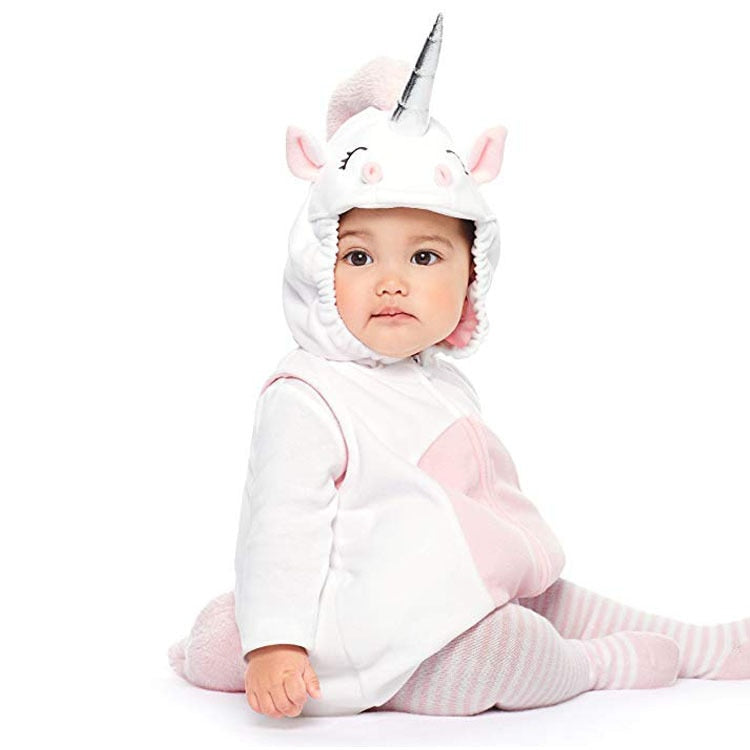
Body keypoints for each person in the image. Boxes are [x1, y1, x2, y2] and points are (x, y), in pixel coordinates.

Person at [167, 14, 750, 719]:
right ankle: (598, 665)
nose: (391, 281)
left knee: (550, 595)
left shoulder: (437, 382)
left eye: (424, 256)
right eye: (359, 256)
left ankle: (700, 646)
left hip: (455, 590)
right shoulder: (308, 396)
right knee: (509, 646)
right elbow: (280, 525)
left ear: (472, 274)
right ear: (316, 262)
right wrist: (276, 642)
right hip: (383, 635)